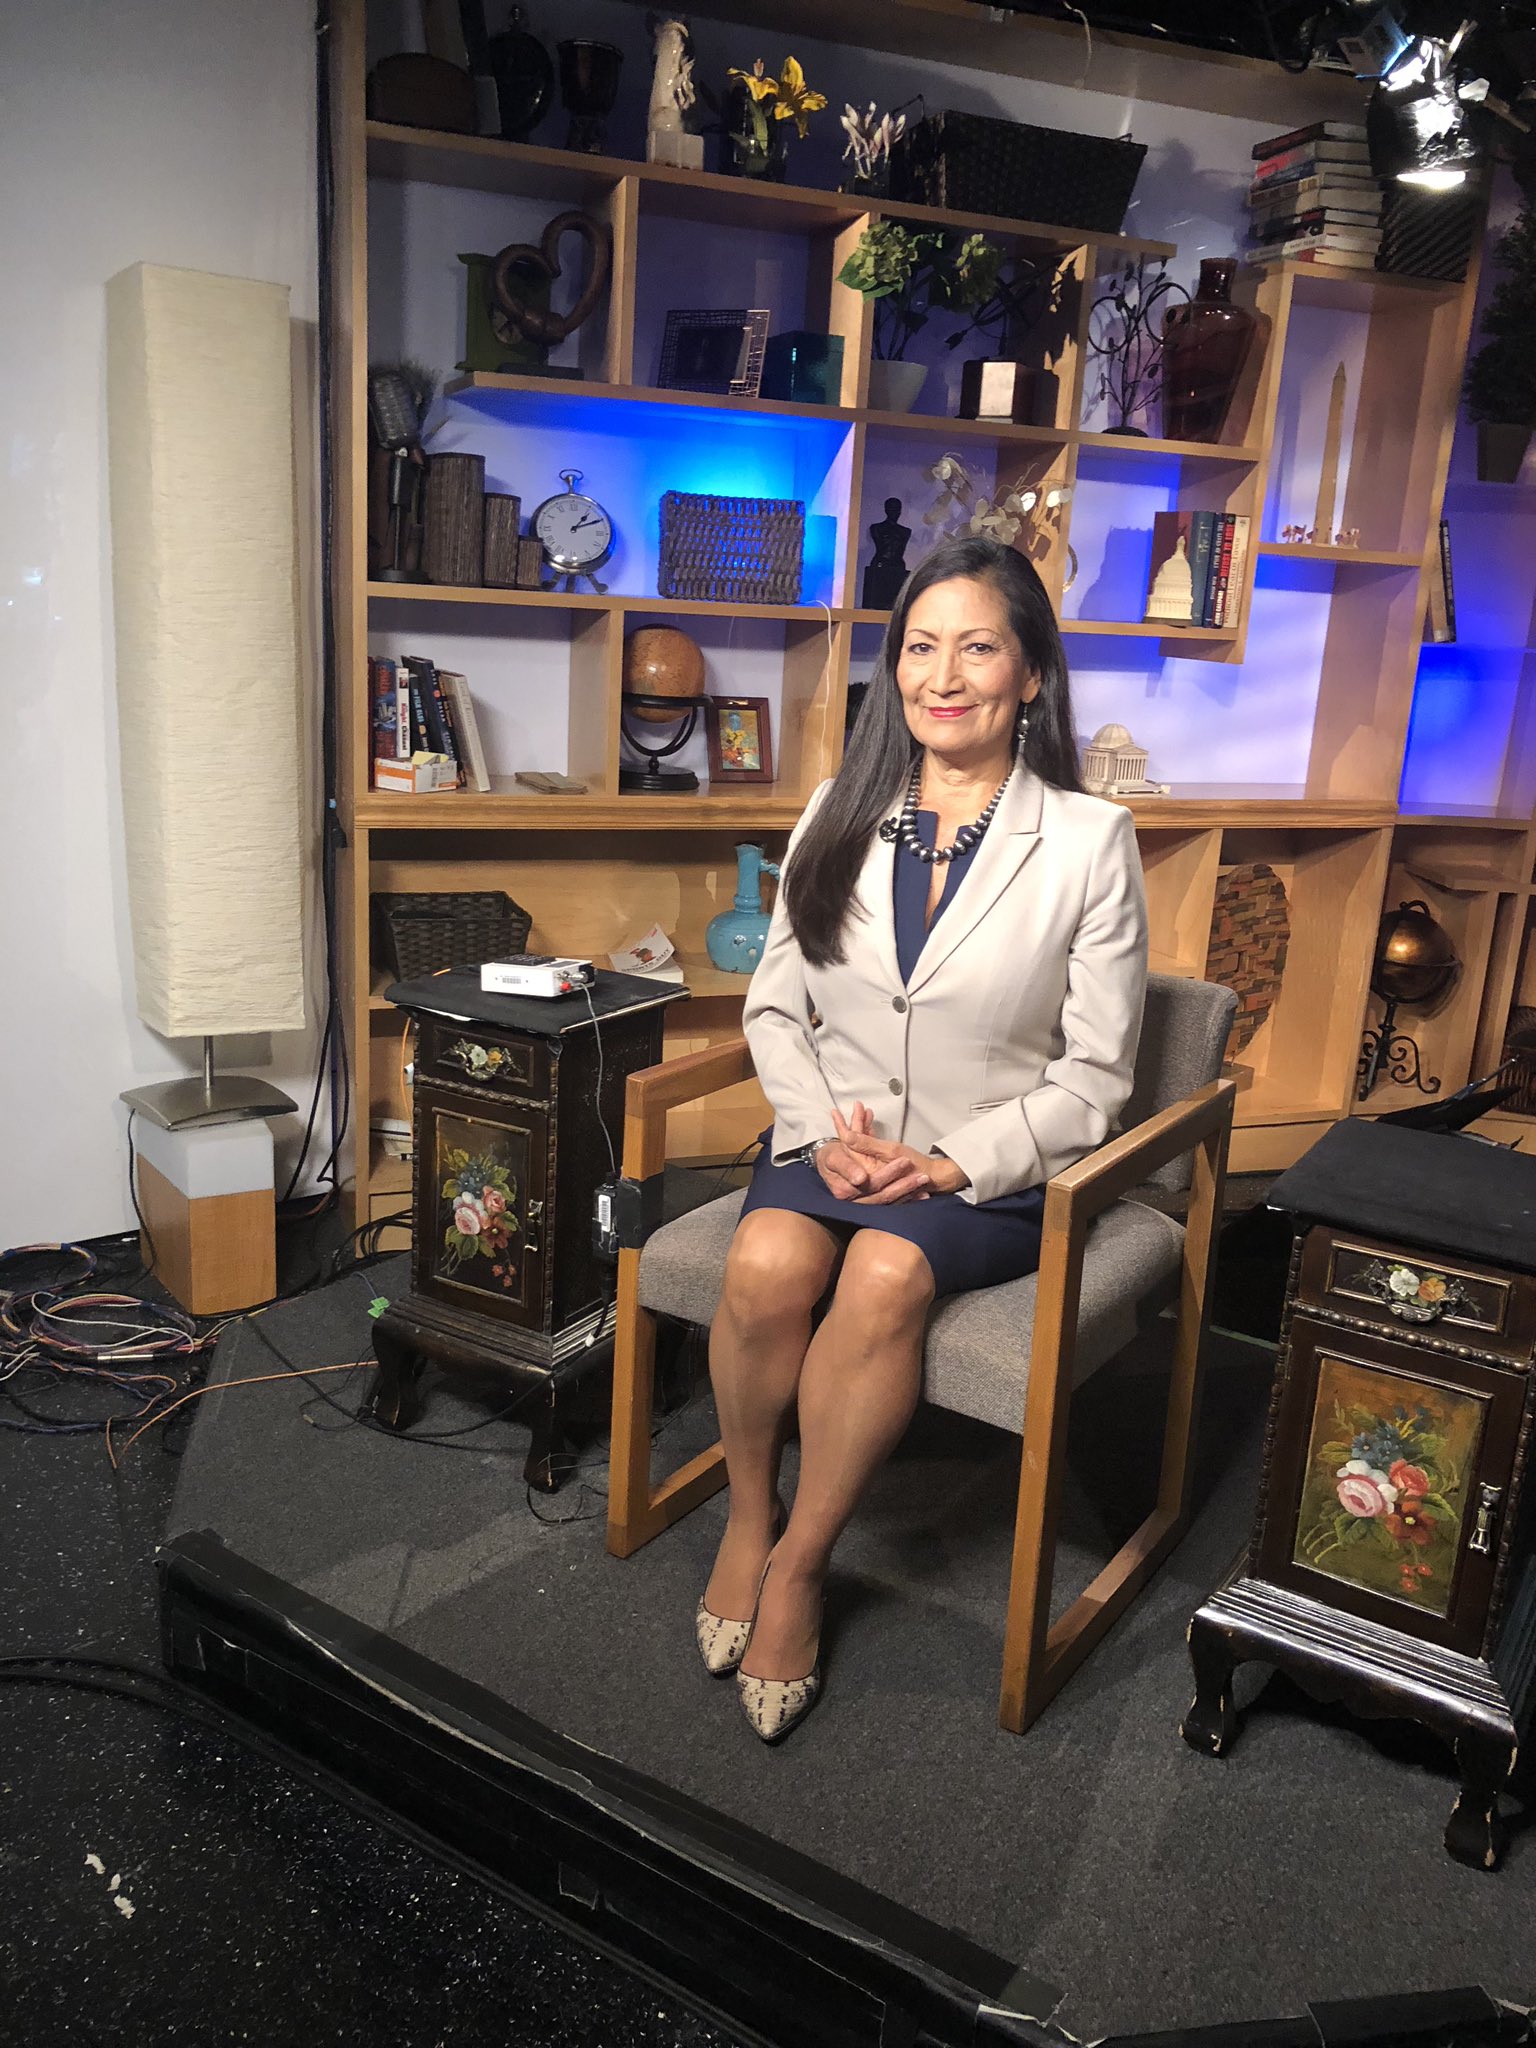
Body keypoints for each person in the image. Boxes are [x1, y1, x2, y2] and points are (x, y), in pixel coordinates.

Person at [696, 534, 1150, 1742]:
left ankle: (800, 1562)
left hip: (985, 1164)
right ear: (894, 665)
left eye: (979, 647)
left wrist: (954, 1161)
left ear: (1032, 673)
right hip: (834, 1142)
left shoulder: (1088, 841)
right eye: (920, 646)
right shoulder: (839, 809)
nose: (943, 676)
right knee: (765, 1262)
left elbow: (1097, 1076)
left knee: (888, 1270)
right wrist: (814, 1131)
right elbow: (772, 1008)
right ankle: (749, 1512)